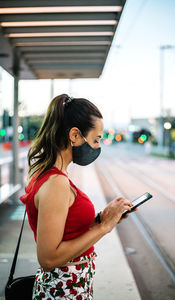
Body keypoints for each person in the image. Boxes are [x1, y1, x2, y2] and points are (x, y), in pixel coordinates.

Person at [20, 94, 134, 300]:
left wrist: (102, 218)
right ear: (74, 135)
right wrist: (103, 228)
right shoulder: (56, 183)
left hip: (67, 287)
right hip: (63, 291)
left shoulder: (51, 175)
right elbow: (48, 258)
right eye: (96, 140)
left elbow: (66, 229)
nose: (97, 147)